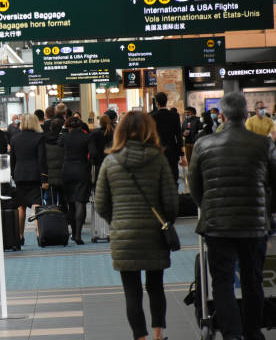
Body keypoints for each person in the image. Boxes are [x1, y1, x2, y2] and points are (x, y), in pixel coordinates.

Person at [189, 92, 276, 340]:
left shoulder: (203, 145)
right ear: (246, 113)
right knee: (253, 281)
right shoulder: (264, 145)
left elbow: (195, 186)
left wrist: (207, 208)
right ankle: (252, 331)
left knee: (222, 282)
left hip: (217, 226)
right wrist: (268, 212)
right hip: (254, 225)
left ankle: (231, 334)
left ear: (223, 115)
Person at [95, 111, 178, 340]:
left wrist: (118, 220)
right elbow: (171, 201)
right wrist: (165, 219)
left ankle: (140, 338)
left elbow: (101, 203)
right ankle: (158, 335)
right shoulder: (158, 158)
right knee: (155, 286)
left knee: (131, 292)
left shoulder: (110, 161)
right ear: (148, 130)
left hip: (124, 235)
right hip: (154, 234)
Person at [10, 113, 48, 246]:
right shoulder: (39, 137)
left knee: (21, 208)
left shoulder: (15, 138)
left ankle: (20, 236)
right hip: (35, 175)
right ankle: (39, 235)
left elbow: (12, 160)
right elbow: (42, 159)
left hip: (20, 175)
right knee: (37, 206)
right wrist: (44, 178)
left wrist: (14, 175)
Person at [58, 117, 94, 244]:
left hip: (67, 170)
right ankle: (78, 234)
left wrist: (63, 129)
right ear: (81, 126)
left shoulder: (65, 137)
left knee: (71, 202)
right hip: (82, 170)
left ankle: (73, 233)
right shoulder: (86, 138)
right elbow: (92, 154)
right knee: (81, 202)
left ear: (68, 126)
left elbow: (58, 143)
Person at [150, 92, 183, 182]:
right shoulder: (175, 116)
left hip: (157, 150)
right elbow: (178, 135)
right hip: (172, 150)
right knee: (173, 176)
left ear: (156, 102)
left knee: (160, 177)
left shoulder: (152, 117)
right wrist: (181, 154)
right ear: (166, 102)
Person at [45, 119, 65, 210]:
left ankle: (51, 217)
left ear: (51, 128)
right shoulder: (64, 139)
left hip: (50, 174)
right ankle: (64, 216)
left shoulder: (45, 140)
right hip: (62, 173)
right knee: (63, 198)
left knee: (50, 199)